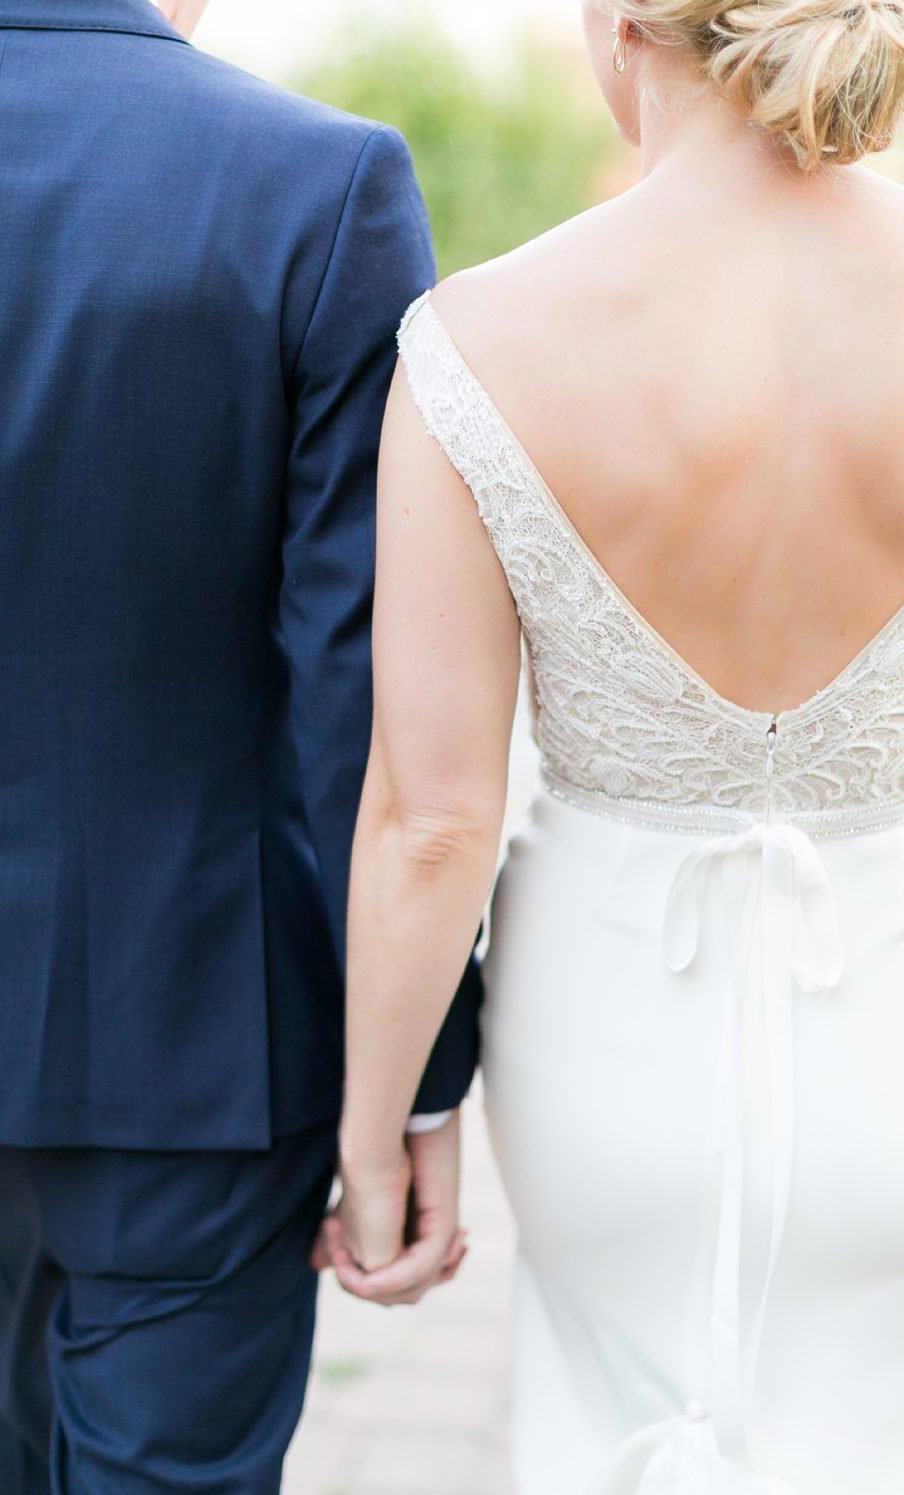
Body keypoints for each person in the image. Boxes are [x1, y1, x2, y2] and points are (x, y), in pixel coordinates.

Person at [0, 0, 481, 1487]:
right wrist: (411, 1083)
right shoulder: (321, 185)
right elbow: (364, 701)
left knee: (16, 1409)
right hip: (208, 1048)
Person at [329, 1, 904, 1487]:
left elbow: (432, 821)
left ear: (632, 19)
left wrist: (377, 1130)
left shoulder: (478, 338)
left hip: (605, 1043)